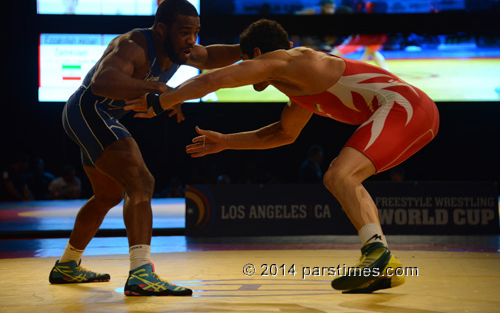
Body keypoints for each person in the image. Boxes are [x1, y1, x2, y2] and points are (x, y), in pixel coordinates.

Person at [125, 19, 440, 293]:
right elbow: (282, 134)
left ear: (257, 56)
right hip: (414, 112)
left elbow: (214, 79)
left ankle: (377, 254)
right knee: (342, 176)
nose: (251, 75)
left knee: (339, 175)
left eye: (248, 63)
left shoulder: (286, 60)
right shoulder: (299, 86)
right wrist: (225, 141)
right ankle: (382, 263)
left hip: (405, 107)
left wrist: (161, 102)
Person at [48, 0, 242, 297]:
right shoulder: (133, 45)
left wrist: (248, 49)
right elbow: (102, 81)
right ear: (162, 29)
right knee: (141, 181)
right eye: (184, 32)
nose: (191, 40)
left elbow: (210, 57)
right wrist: (159, 88)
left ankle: (67, 265)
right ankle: (141, 274)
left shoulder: (182, 49)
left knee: (107, 196)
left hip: (98, 117)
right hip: (88, 111)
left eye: (196, 32)